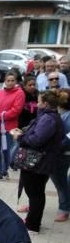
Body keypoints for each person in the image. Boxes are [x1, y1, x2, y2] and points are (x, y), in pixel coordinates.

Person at [11, 91, 65, 234]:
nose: (37, 104)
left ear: (46, 104)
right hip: (42, 161)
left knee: (35, 193)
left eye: (39, 101)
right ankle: (32, 221)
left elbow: (36, 140)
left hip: (37, 162)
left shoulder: (48, 119)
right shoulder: (49, 117)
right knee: (36, 192)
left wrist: (19, 137)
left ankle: (32, 224)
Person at [0, 72, 25, 181]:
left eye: (12, 80)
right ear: (4, 81)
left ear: (16, 81)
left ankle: (4, 171)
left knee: (6, 151)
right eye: (8, 80)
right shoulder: (0, 92)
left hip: (9, 128)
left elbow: (15, 111)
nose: (10, 83)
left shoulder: (19, 93)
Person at [49, 91, 70, 223]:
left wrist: (55, 147)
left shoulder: (66, 116)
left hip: (63, 153)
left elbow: (68, 138)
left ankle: (64, 208)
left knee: (60, 182)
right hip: (60, 152)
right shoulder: (61, 114)